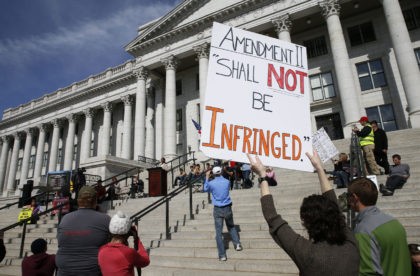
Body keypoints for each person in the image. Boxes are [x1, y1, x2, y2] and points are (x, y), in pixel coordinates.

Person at [247, 152, 359, 275]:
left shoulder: (307, 254)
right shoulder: (350, 242)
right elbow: (334, 206)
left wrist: (263, 176)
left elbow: (272, 217)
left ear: (307, 223)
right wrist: (319, 168)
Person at [347, 177, 411, 275]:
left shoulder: (364, 230)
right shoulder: (394, 222)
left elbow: (368, 272)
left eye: (348, 195)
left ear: (355, 198)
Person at [56, 185, 111, 276]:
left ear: (78, 201)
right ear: (95, 201)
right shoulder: (105, 219)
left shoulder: (65, 219)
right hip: (93, 271)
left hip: (64, 271)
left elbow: (60, 242)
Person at [203, 166, 243, 261]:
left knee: (218, 232)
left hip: (218, 208)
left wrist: (207, 177)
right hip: (227, 206)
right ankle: (237, 244)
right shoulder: (227, 181)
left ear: (213, 173)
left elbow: (205, 188)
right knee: (231, 226)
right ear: (221, 172)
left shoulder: (211, 183)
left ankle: (222, 255)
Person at [98, 211, 150, 275]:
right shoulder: (128, 252)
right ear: (128, 232)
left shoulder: (101, 250)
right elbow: (145, 261)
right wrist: (137, 239)